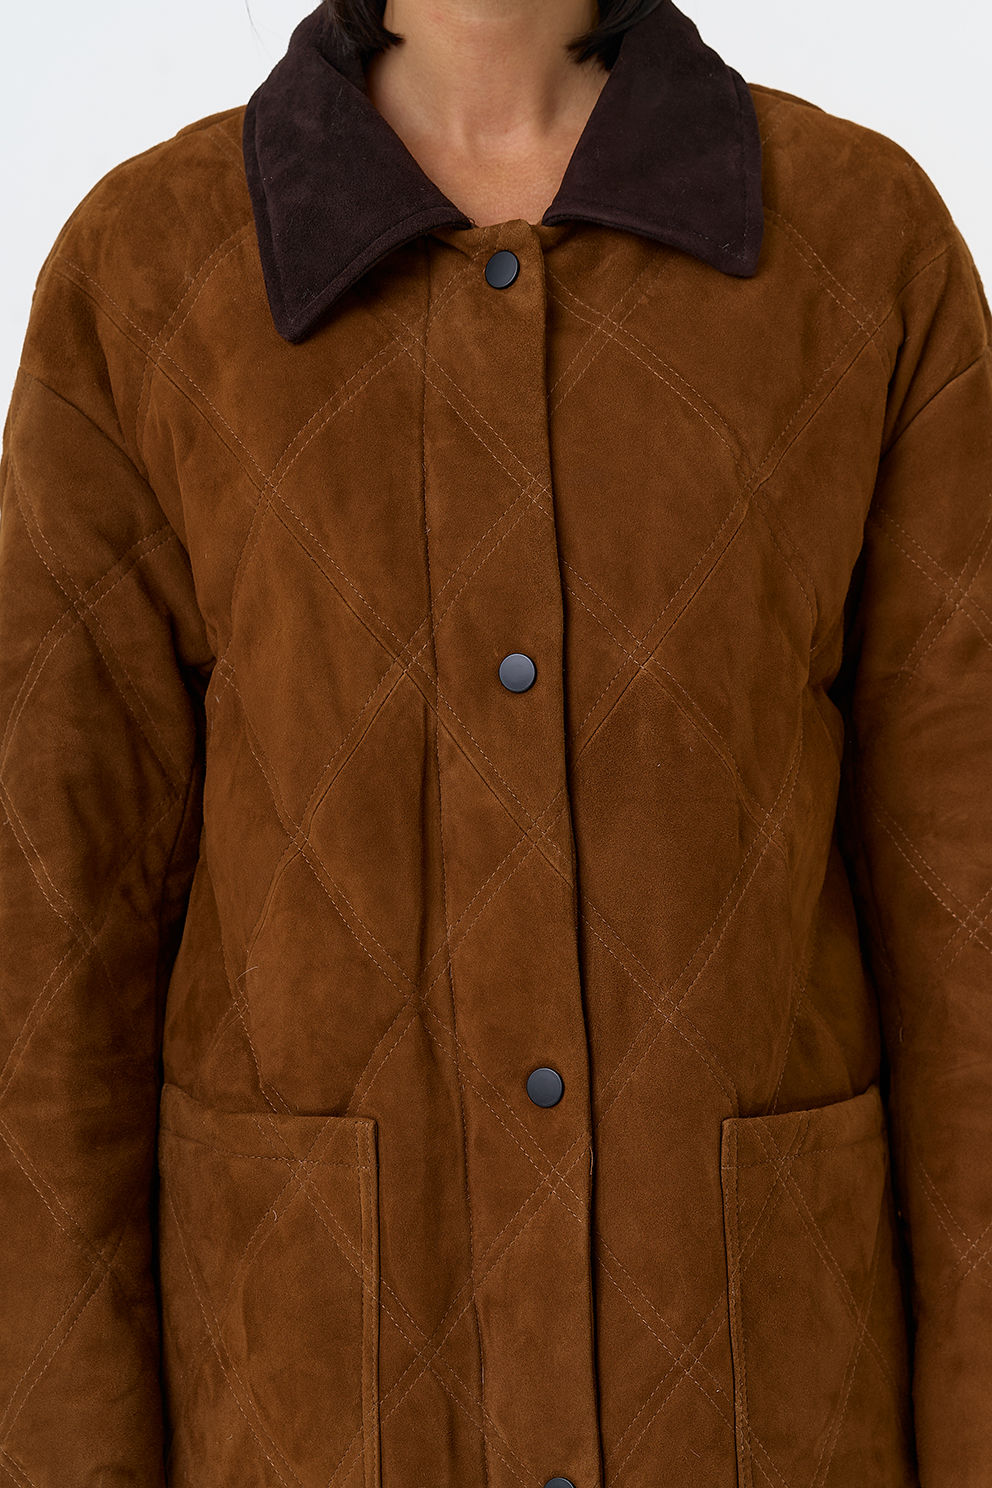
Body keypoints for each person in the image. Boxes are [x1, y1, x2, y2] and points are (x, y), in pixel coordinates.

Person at [1, 0, 989, 1483]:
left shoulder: (860, 247)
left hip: (764, 1408)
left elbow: (968, 933)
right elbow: (48, 965)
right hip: (312, 1415)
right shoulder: (146, 274)